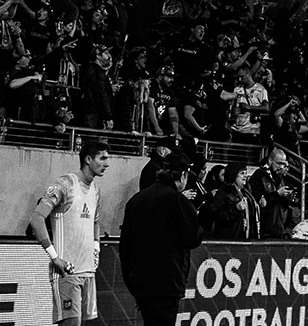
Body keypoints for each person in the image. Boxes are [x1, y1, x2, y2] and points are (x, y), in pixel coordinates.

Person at [29, 138, 109, 326]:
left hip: (88, 270)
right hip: (67, 272)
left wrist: (96, 247)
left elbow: (95, 221)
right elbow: (36, 219)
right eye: (103, 158)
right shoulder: (64, 184)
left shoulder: (96, 190)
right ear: (88, 159)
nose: (107, 163)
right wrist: (55, 257)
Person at [121, 152, 202, 326]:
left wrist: (132, 281)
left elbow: (125, 246)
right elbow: (192, 239)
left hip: (140, 283)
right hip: (166, 284)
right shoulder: (178, 201)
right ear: (183, 175)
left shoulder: (136, 200)